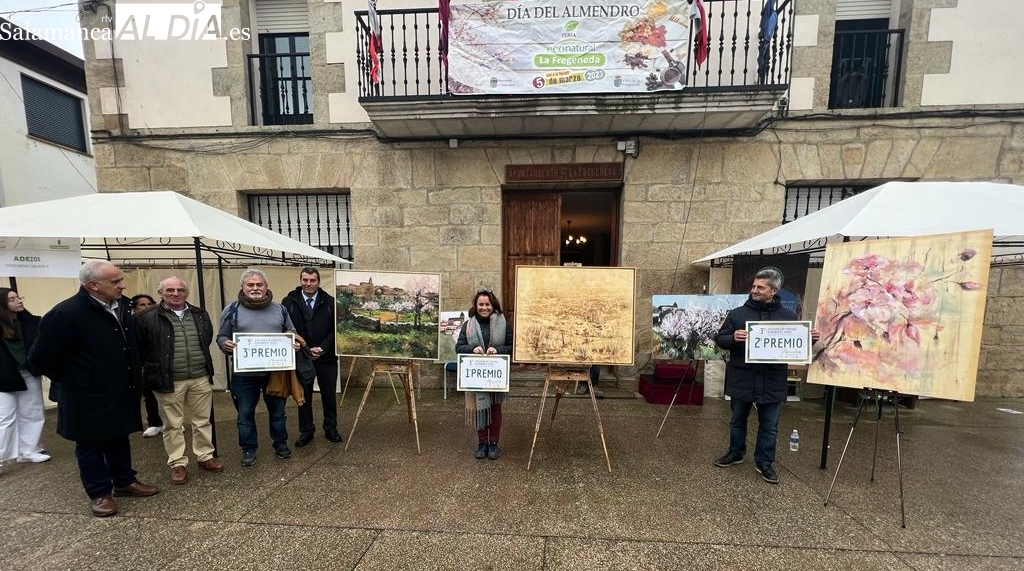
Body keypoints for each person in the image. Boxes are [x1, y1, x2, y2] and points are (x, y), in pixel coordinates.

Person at [28, 260, 158, 517]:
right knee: (90, 444)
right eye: (115, 281)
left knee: (119, 436)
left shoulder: (122, 307)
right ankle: (99, 492)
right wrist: (77, 379)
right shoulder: (66, 314)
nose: (122, 285)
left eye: (121, 279)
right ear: (93, 285)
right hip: (85, 394)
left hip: (119, 389)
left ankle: (124, 481)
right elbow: (39, 359)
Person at [712, 267, 817, 484]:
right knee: (737, 421)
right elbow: (720, 339)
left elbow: (796, 345)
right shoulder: (737, 314)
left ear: (773, 291)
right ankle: (735, 452)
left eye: (760, 287)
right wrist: (732, 337)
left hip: (773, 380)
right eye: (753, 286)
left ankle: (764, 462)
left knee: (769, 426)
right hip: (743, 378)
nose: (754, 290)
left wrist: (810, 338)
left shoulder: (788, 317)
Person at [136, 277, 223, 485]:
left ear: (186, 292)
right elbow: (141, 347)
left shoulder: (199, 314)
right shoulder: (146, 317)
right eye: (170, 290)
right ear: (160, 293)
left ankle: (205, 456)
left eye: (180, 290)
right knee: (173, 424)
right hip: (169, 379)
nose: (175, 293)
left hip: (199, 376)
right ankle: (177, 463)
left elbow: (206, 338)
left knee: (202, 421)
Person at [217, 269, 298, 467]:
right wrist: (225, 344)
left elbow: (291, 332)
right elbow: (221, 336)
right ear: (243, 287)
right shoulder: (231, 310)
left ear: (266, 286)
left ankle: (280, 444)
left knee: (278, 412)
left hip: (275, 373)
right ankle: (248, 449)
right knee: (245, 415)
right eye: (250, 285)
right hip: (244, 375)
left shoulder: (280, 309)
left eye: (259, 284)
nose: (255, 288)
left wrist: (293, 343)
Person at [281, 267, 343, 447]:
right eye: (305, 280)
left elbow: (337, 329)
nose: (308, 284)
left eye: (312, 280)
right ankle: (306, 430)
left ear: (318, 282)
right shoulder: (289, 302)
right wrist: (301, 347)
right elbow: (284, 327)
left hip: (326, 358)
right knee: (304, 396)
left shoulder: (330, 302)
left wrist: (323, 348)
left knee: (329, 395)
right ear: (300, 280)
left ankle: (331, 428)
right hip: (301, 357)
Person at [455, 288, 512, 460]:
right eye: (481, 304)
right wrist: (472, 348)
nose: (484, 307)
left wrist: (499, 350)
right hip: (477, 377)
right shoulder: (468, 325)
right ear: (476, 305)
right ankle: (482, 443)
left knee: (495, 409)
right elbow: (459, 347)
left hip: (495, 376)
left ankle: (493, 443)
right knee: (479, 408)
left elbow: (512, 347)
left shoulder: (504, 324)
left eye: (487, 304)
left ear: (493, 305)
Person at [0, 288, 49, 467]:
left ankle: (30, 450)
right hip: (4, 377)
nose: (19, 301)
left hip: (28, 372)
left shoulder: (30, 322)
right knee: (5, 417)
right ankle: (1, 457)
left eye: (19, 297)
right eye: (12, 299)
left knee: (33, 412)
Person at [131, 294, 164, 439]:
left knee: (167, 396)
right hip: (143, 364)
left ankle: (170, 423)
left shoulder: (159, 320)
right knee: (149, 394)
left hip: (160, 361)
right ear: (134, 308)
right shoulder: (132, 322)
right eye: (142, 305)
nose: (147, 307)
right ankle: (154, 423)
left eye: (150, 304)